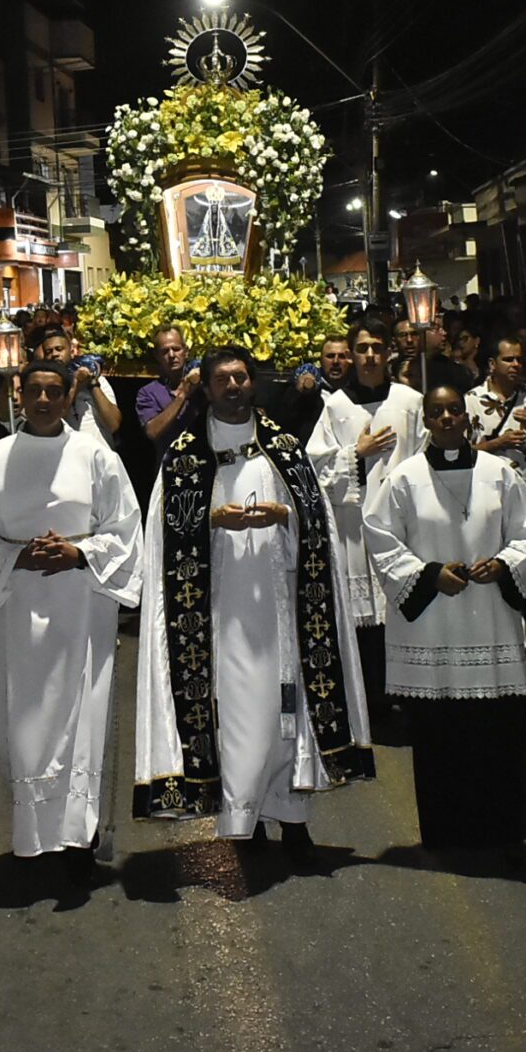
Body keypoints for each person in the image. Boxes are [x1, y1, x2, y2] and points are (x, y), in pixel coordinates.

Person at [132, 348, 373, 850]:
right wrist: (210, 521)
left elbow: (319, 522)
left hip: (280, 610)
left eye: (241, 377)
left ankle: (293, 820)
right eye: (223, 380)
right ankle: (247, 822)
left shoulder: (284, 448)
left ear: (254, 383)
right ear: (208, 389)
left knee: (288, 714)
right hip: (218, 620)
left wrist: (285, 515)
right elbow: (159, 536)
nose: (234, 386)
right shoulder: (184, 456)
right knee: (238, 719)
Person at [0, 359, 144, 866]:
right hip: (14, 605)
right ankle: (35, 825)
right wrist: (15, 554)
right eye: (34, 391)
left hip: (79, 602)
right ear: (19, 395)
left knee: (78, 716)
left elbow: (125, 527)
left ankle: (79, 837)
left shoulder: (95, 457)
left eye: (53, 392)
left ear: (69, 398)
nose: (43, 400)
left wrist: (80, 553)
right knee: (6, 712)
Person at [364, 384, 526, 858]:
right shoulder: (404, 479)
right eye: (436, 412)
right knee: (440, 737)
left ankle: (505, 834)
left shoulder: (499, 473)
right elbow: (380, 537)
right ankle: (447, 837)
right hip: (433, 626)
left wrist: (505, 564)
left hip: (488, 622)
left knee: (496, 733)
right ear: (424, 420)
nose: (445, 418)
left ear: (466, 418)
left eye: (453, 411)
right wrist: (428, 575)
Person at [307, 318, 427, 739]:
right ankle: (372, 704)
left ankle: (411, 698)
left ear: (389, 352)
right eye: (362, 348)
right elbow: (315, 468)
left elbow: (425, 459)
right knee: (368, 624)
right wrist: (354, 454)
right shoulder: (337, 406)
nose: (370, 355)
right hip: (355, 528)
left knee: (404, 613)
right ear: (353, 355)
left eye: (377, 347)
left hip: (402, 527)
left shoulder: (410, 402)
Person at [466, 336, 526, 668]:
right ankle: (505, 641)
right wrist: (500, 442)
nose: (516, 365)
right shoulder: (472, 400)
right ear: (492, 364)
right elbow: (462, 452)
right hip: (489, 493)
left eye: (519, 359)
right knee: (496, 566)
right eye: (508, 360)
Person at [136, 323, 200, 446]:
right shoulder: (148, 393)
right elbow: (152, 432)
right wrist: (182, 395)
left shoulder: (204, 384)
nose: (171, 355)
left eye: (176, 349)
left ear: (186, 351)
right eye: (165, 351)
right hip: (169, 461)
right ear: (157, 356)